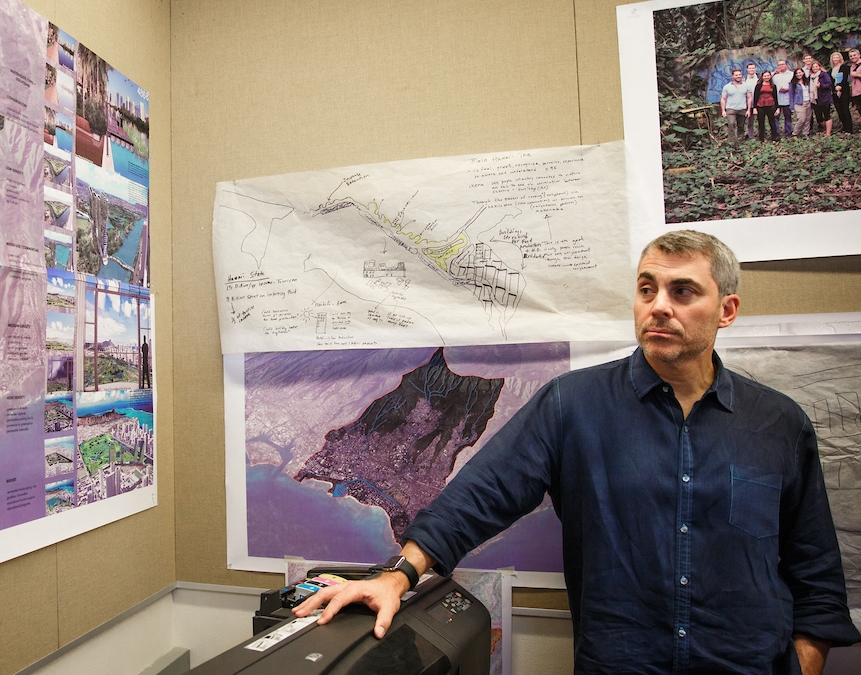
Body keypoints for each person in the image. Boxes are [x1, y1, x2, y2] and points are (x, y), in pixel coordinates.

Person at [294, 231, 860, 674]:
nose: (659, 306)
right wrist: (399, 575)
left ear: (727, 310)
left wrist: (803, 665)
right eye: (646, 289)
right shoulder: (574, 404)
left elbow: (815, 574)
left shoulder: (779, 424)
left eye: (682, 291)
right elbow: (479, 495)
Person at [719, 68, 751, 142]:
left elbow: (749, 98)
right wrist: (723, 110)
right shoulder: (727, 87)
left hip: (742, 109)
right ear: (732, 76)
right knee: (731, 123)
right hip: (731, 109)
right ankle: (732, 141)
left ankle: (740, 140)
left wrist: (748, 110)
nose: (738, 76)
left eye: (740, 74)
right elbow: (723, 99)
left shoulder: (746, 86)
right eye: (736, 75)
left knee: (741, 126)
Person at [829, 51, 854, 134]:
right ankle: (844, 127)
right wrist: (835, 89)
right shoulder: (831, 70)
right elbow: (831, 81)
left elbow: (845, 78)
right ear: (832, 59)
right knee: (839, 110)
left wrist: (840, 86)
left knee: (845, 109)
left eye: (837, 57)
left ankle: (849, 129)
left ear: (840, 58)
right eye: (834, 57)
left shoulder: (844, 67)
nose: (835, 59)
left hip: (844, 90)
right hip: (835, 92)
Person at [753, 70, 779, 141]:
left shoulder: (773, 86)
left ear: (770, 76)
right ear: (762, 77)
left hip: (771, 105)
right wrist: (754, 107)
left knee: (772, 122)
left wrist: (777, 108)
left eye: (768, 75)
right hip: (760, 105)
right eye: (765, 76)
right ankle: (761, 138)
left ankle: (774, 137)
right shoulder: (758, 85)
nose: (767, 77)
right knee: (761, 122)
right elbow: (755, 97)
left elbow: (775, 97)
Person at [812, 60, 835, 136]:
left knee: (826, 115)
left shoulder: (824, 74)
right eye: (813, 67)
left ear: (819, 67)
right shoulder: (811, 77)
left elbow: (829, 84)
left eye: (816, 66)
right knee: (819, 117)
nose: (815, 68)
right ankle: (826, 128)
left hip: (825, 98)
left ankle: (828, 133)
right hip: (815, 99)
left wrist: (821, 85)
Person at [772, 59, 794, 136]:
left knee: (787, 116)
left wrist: (788, 89)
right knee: (775, 117)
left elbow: (795, 85)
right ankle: (777, 132)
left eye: (783, 64)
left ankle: (788, 132)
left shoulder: (791, 74)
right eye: (779, 65)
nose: (781, 66)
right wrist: (774, 73)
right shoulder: (775, 76)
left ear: (786, 65)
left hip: (787, 99)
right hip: (777, 100)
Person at [792, 66, 813, 137]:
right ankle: (795, 133)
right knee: (801, 119)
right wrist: (792, 107)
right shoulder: (793, 83)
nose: (798, 74)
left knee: (808, 119)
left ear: (803, 73)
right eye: (797, 73)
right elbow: (791, 95)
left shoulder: (807, 81)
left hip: (808, 101)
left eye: (800, 72)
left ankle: (805, 133)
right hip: (799, 103)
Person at [743, 62, 760, 139]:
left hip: (759, 103)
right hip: (748, 103)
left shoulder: (759, 78)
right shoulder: (744, 79)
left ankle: (760, 134)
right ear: (747, 69)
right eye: (750, 68)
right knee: (750, 121)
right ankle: (751, 136)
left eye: (753, 68)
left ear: (755, 69)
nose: (751, 69)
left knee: (760, 120)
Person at [850, 48, 861, 124]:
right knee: (860, 109)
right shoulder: (852, 67)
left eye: (854, 55)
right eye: (851, 56)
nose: (853, 57)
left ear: (859, 55)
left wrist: (856, 75)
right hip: (856, 91)